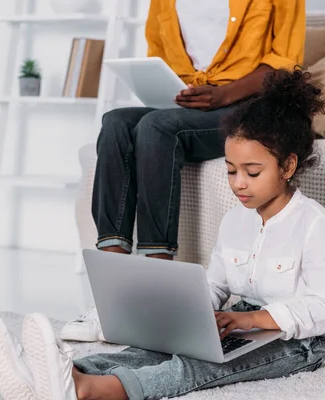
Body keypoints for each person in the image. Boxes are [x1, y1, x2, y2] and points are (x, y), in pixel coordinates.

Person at [0, 69, 325, 400]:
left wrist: (255, 320)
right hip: (238, 322)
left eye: (252, 171)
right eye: (231, 170)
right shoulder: (236, 220)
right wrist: (185, 311)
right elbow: (215, 285)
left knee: (200, 367)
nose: (238, 184)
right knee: (149, 350)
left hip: (298, 341)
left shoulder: (314, 225)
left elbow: (324, 309)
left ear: (288, 166)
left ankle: (94, 392)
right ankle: (61, 374)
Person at [64, 0, 307, 343]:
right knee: (116, 122)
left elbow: (285, 66)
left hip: (249, 105)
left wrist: (223, 95)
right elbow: (157, 55)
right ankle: (112, 301)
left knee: (156, 127)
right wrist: (170, 88)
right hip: (189, 103)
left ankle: (159, 292)